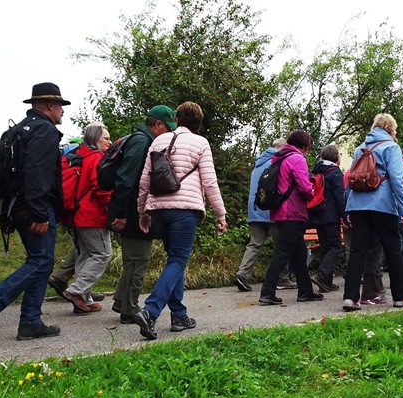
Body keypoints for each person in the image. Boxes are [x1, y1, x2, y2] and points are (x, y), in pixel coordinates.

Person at [0, 83, 66, 347]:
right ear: (50, 106)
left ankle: (31, 321)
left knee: (40, 260)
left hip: (16, 207)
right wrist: (41, 213)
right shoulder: (45, 131)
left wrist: (6, 216)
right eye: (60, 107)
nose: (62, 113)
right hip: (35, 208)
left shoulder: (15, 131)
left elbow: (4, 175)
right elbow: (37, 174)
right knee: (41, 262)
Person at [132, 101, 227, 340]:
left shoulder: (159, 140)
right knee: (177, 260)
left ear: (178, 119)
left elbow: (145, 181)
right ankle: (151, 311)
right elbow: (210, 182)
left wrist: (142, 211)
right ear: (198, 123)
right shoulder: (200, 143)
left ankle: (179, 315)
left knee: (174, 261)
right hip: (184, 210)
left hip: (158, 210)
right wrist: (221, 214)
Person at [341, 114, 403, 311]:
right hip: (383, 205)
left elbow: (352, 178)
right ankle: (402, 296)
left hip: (359, 205)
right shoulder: (391, 147)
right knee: (393, 250)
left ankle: (350, 298)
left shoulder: (360, 148)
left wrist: (349, 207)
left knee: (358, 251)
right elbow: (397, 180)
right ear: (391, 129)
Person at [108, 105, 176, 324]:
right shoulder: (142, 142)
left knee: (133, 259)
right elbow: (127, 180)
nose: (169, 134)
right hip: (130, 211)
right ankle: (129, 309)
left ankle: (121, 300)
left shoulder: (138, 139)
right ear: (157, 125)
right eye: (168, 128)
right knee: (138, 260)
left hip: (130, 209)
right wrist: (121, 213)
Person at [49, 122, 113, 313]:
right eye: (106, 138)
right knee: (102, 253)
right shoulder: (96, 158)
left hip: (74, 213)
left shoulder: (79, 155)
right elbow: (100, 188)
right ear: (95, 139)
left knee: (84, 254)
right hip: (91, 214)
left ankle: (83, 298)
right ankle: (77, 291)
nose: (109, 142)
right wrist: (113, 207)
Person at [258, 130, 322, 305]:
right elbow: (305, 187)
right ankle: (267, 292)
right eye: (308, 147)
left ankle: (305, 291)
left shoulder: (279, 157)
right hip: (292, 211)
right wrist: (313, 190)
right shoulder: (297, 158)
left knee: (299, 252)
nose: (308, 151)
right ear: (304, 145)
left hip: (280, 210)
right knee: (282, 251)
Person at [234, 138, 289, 292]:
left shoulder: (258, 164)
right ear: (281, 148)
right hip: (271, 209)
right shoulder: (277, 162)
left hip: (255, 209)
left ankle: (242, 274)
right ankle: (283, 278)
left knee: (254, 243)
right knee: (282, 245)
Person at [308, 144, 346, 293]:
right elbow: (340, 198)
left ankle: (327, 282)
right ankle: (321, 276)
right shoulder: (335, 173)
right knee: (335, 247)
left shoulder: (318, 170)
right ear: (336, 158)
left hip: (318, 215)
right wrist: (345, 216)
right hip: (331, 217)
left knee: (325, 247)